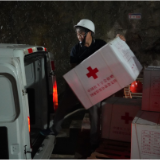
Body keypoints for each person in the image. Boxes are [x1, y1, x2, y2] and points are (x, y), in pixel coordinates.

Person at [40, 19, 125, 153]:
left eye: (81, 33)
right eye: (78, 34)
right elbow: (74, 68)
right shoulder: (75, 49)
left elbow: (112, 51)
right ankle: (54, 129)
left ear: (90, 33)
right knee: (63, 105)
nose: (79, 36)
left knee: (94, 113)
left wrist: (119, 40)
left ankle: (94, 141)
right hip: (79, 84)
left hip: (94, 86)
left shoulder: (101, 45)